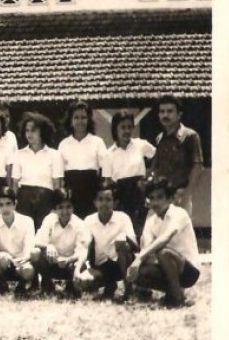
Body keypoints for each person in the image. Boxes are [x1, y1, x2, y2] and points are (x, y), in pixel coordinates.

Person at [126, 176, 201, 307]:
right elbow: (147, 247)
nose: (155, 202)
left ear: (170, 198)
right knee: (139, 274)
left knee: (163, 252)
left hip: (188, 270)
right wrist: (137, 263)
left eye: (160, 197)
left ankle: (177, 296)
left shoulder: (179, 213)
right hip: (165, 267)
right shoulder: (150, 221)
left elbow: (165, 238)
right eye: (152, 198)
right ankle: (173, 291)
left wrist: (139, 259)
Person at [73, 180, 139, 300]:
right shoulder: (89, 220)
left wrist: (124, 237)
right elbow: (84, 249)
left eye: (108, 199)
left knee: (122, 245)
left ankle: (128, 288)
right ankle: (110, 284)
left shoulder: (123, 218)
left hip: (122, 264)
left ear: (115, 203)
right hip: (101, 266)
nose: (104, 203)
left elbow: (136, 246)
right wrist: (83, 269)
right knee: (85, 282)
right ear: (95, 203)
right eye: (100, 199)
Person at [101, 111, 155, 236]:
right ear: (115, 129)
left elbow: (158, 158)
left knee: (141, 229)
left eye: (130, 127)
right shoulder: (109, 154)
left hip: (139, 192)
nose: (127, 131)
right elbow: (108, 181)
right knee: (123, 231)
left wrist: (150, 177)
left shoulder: (141, 145)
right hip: (121, 195)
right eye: (123, 127)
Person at [149, 95, 204, 216]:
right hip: (161, 196)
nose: (165, 115)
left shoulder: (190, 136)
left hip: (180, 194)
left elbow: (197, 167)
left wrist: (187, 193)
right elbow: (156, 167)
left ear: (179, 115)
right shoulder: (159, 138)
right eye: (162, 111)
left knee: (180, 232)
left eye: (170, 111)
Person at [31, 188, 90, 298]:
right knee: (35, 253)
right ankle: (46, 283)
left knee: (80, 264)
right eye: (60, 207)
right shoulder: (49, 219)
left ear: (73, 207)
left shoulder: (79, 224)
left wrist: (68, 260)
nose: (64, 211)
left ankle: (73, 285)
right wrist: (49, 246)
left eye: (68, 207)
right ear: (55, 209)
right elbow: (36, 242)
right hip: (52, 262)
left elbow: (82, 251)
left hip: (69, 264)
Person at [11, 112, 64, 230]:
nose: (29, 134)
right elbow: (14, 183)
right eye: (27, 130)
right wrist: (13, 203)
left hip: (46, 198)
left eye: (33, 130)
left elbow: (57, 184)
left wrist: (56, 206)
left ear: (43, 131)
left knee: (43, 231)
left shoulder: (54, 155)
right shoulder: (18, 154)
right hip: (24, 198)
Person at [0, 186, 38, 297]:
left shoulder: (27, 221)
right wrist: (1, 255)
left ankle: (22, 286)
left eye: (8, 204)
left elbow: (29, 247)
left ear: (15, 204)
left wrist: (23, 259)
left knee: (28, 270)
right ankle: (1, 285)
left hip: (21, 262)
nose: (5, 208)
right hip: (3, 263)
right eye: (1, 205)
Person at [58, 101, 107, 218]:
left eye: (83, 117)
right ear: (70, 120)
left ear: (89, 119)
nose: (80, 121)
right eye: (76, 117)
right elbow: (59, 176)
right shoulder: (64, 144)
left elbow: (105, 170)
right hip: (71, 191)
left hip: (91, 190)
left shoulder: (97, 142)